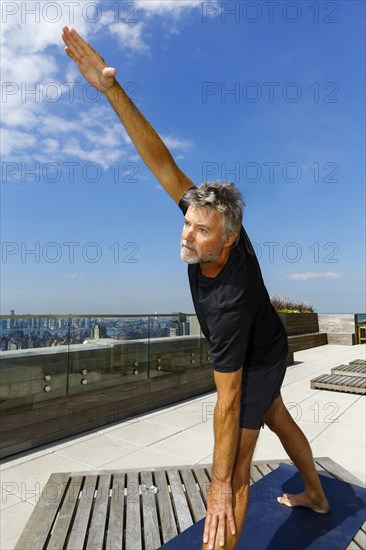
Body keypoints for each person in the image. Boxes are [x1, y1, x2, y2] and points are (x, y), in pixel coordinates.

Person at [61, 27, 329, 550]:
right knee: (275, 416)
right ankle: (317, 495)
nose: (187, 233)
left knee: (236, 467)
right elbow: (161, 161)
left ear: (227, 242)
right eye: (187, 222)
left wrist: (219, 484)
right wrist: (111, 90)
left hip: (260, 353)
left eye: (200, 231)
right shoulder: (211, 223)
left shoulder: (228, 300)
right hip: (259, 335)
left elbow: (226, 403)